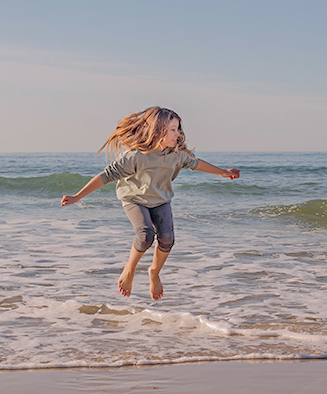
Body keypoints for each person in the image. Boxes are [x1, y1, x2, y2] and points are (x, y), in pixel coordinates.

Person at [61, 106, 240, 300]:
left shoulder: (177, 154)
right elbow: (106, 176)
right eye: (173, 129)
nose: (178, 134)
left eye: (178, 129)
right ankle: (129, 270)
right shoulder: (136, 156)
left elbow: (196, 163)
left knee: (167, 239)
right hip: (134, 199)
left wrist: (222, 171)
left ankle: (154, 272)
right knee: (146, 235)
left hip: (160, 199)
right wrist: (78, 196)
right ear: (157, 131)